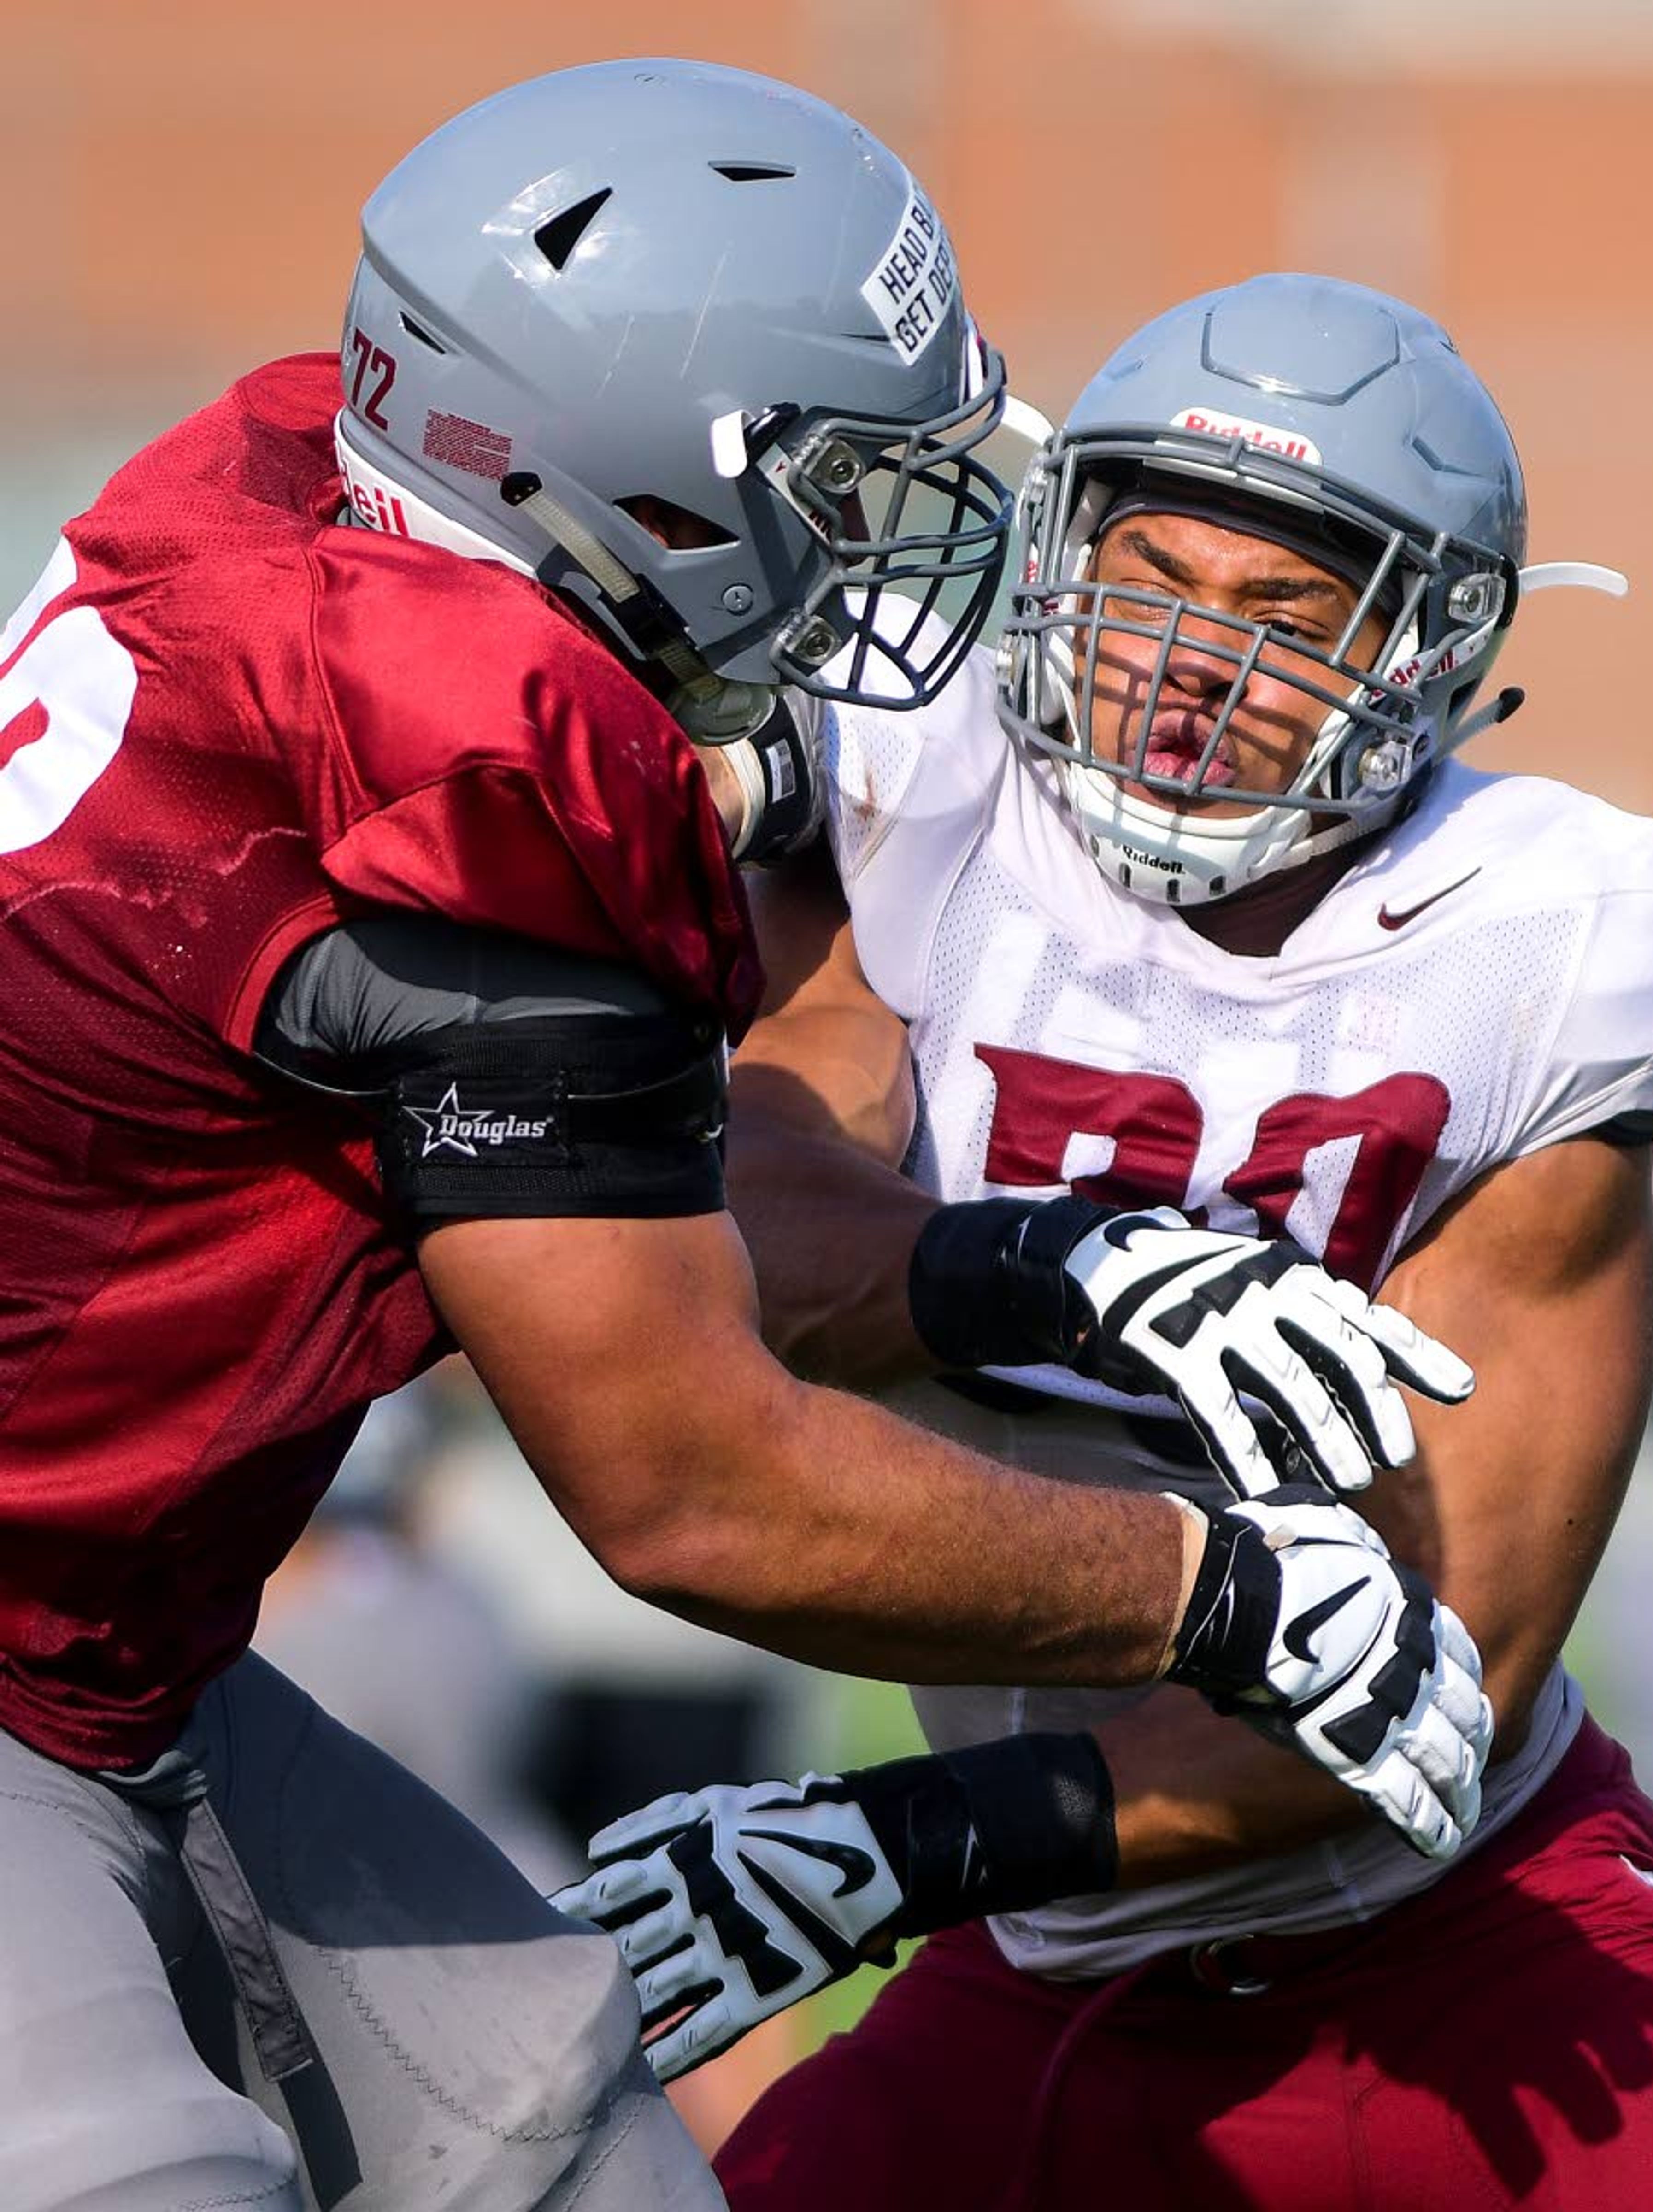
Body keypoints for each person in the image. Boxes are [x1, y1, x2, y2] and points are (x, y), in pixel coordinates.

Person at [0, 63, 1489, 2212]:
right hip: (40, 1658)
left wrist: (1024, 1263)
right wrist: (1219, 1589)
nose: (881, 537)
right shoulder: (473, 803)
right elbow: (698, 1492)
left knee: (569, 2138)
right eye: (836, 479)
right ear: (638, 477)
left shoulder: (277, 488)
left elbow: (654, 1181)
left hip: (125, 1654)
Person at [567, 276, 1653, 2207]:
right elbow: (751, 1240)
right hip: (1040, 1951)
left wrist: (896, 1849)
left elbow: (1439, 1667)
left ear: (1432, 650)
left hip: (1450, 1938)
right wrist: (1056, 1270)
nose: (1191, 667)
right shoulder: (931, 794)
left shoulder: (1553, 940)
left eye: (1285, 621)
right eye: (1153, 583)